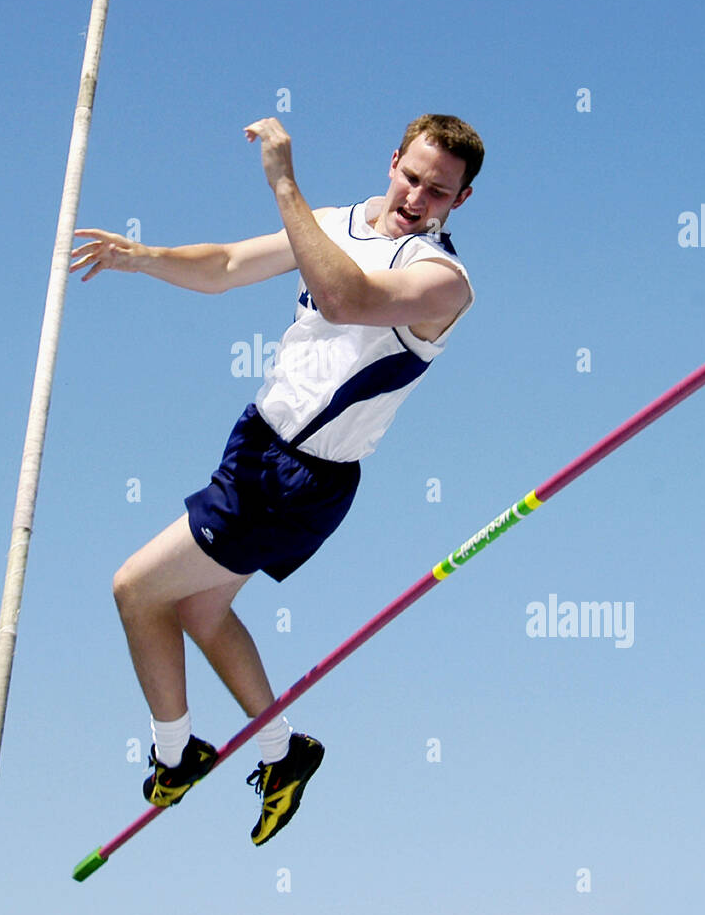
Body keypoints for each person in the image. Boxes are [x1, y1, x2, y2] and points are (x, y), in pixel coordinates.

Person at [70, 113, 483, 845]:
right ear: (392, 161)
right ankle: (282, 751)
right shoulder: (337, 224)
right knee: (200, 612)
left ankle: (175, 757)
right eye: (412, 177)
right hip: (255, 447)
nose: (417, 198)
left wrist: (285, 184)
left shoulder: (442, 281)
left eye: (439, 192)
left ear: (461, 201)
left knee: (135, 589)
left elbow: (347, 299)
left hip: (298, 479)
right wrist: (142, 257)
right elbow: (229, 265)